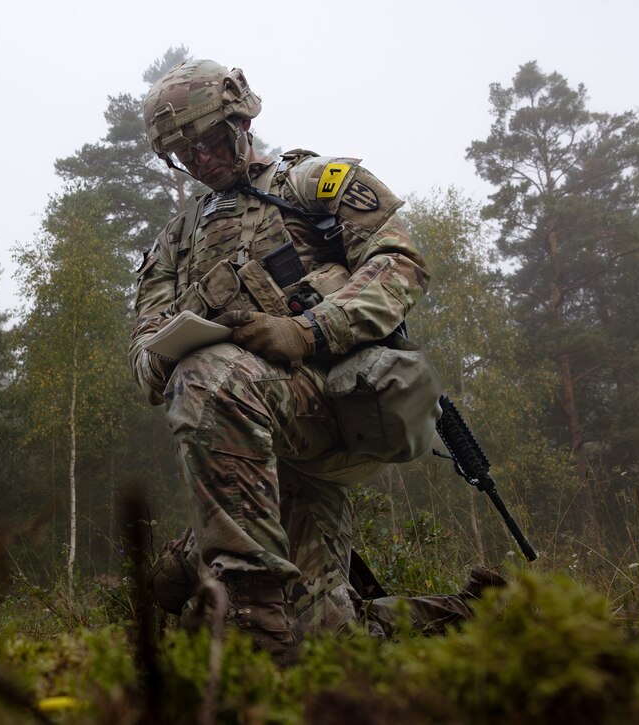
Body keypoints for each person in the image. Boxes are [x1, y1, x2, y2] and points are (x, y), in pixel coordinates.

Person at [129, 59, 498, 662]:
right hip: (255, 446)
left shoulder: (311, 185)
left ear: (239, 118)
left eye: (207, 140)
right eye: (182, 153)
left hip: (330, 408)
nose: (200, 159)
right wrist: (165, 358)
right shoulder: (175, 241)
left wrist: (308, 329)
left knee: (209, 378)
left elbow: (399, 260)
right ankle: (467, 612)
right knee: (331, 646)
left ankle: (243, 608)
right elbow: (145, 350)